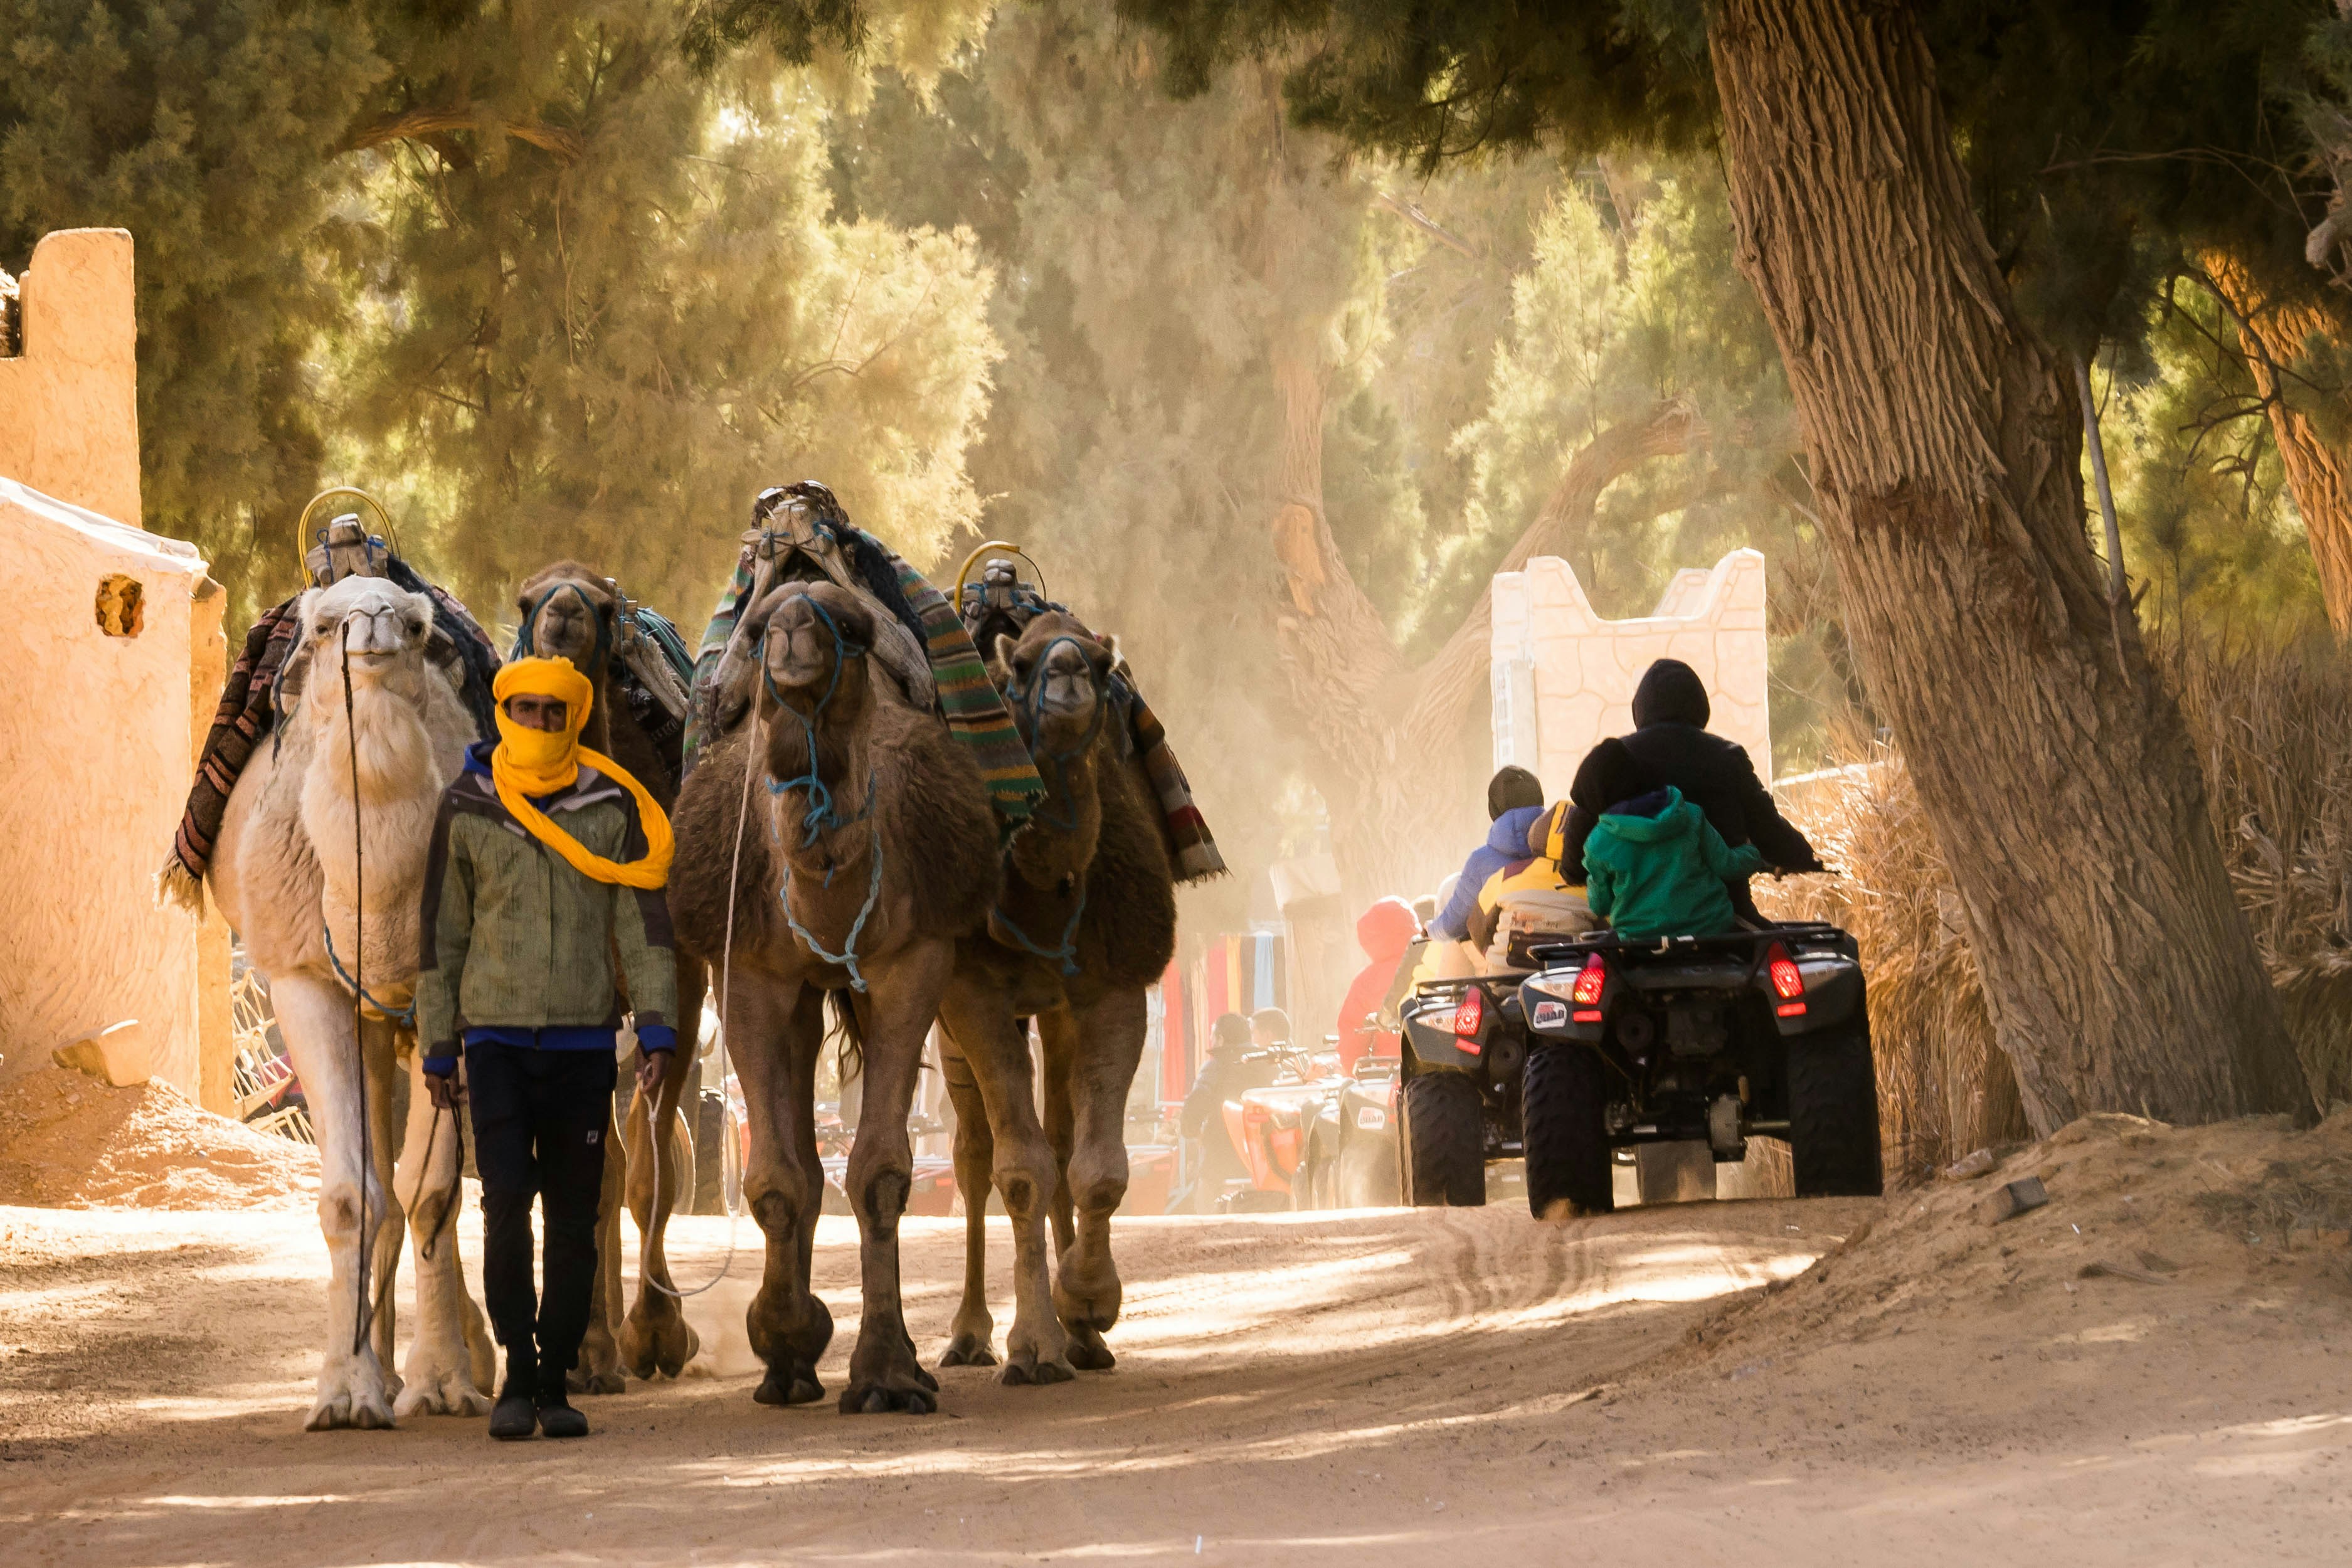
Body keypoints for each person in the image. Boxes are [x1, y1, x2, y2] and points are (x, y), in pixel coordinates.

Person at [416, 657, 679, 1441]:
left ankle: (557, 1375)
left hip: (582, 1042)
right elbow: (443, 935)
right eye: (523, 709)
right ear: (503, 714)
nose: (536, 722)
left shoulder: (610, 807)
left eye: (551, 712)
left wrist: (658, 1024)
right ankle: (517, 1376)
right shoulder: (466, 804)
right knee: (504, 1214)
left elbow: (642, 922)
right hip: (494, 1044)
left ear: (573, 718)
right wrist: (438, 1046)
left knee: (573, 1221)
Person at [1560, 659, 1821, 921]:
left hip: (1636, 930)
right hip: (1725, 918)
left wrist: (1581, 872)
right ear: (1701, 705)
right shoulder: (1728, 757)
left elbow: (1575, 851)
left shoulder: (1614, 760)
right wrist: (1807, 859)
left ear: (1639, 709)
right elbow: (1768, 829)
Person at [1582, 785, 1766, 940]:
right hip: (1710, 931)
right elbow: (1728, 866)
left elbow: (1600, 906)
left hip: (1639, 943)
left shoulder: (1599, 840)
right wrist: (1753, 852)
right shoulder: (1690, 814)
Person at [1429, 766, 1548, 941]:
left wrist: (1430, 930)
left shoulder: (1480, 862)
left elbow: (1451, 926)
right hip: (1562, 959)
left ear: (1493, 807)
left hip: (1504, 964)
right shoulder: (1563, 848)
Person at [1173, 1012, 1262, 1210]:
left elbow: (1196, 1103)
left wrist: (1191, 1130)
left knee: (1207, 1212)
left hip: (1219, 1156)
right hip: (1263, 1160)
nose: (1212, 1042)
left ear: (1221, 1039)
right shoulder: (1269, 1064)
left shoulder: (1215, 1067)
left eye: (1213, 1037)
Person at [1335, 896, 1417, 1072]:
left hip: (1391, 1073)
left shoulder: (1366, 981)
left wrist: (1351, 1074)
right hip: (1442, 1071)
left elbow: (1352, 1038)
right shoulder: (1432, 961)